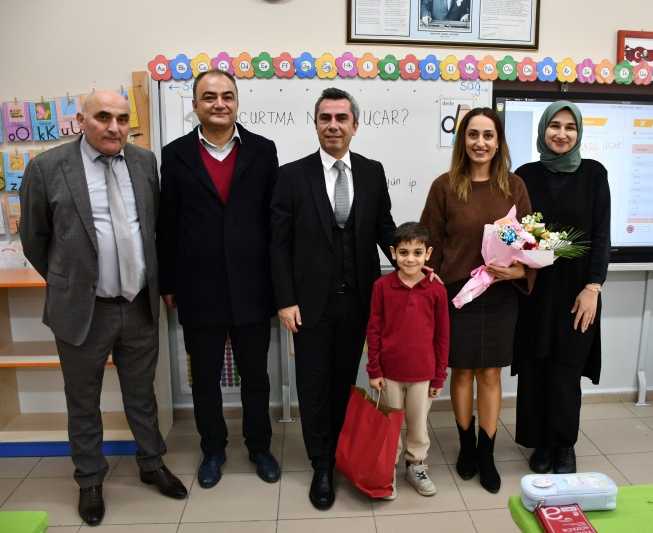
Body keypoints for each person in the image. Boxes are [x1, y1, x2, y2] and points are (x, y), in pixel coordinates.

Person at [20, 90, 187, 526]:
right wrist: (70, 282)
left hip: (137, 304)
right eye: (103, 117)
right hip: (83, 310)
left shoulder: (144, 162)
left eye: (122, 118)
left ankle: (151, 463)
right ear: (82, 120)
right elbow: (35, 238)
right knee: (83, 400)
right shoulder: (47, 167)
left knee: (142, 394)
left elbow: (151, 227)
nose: (114, 127)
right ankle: (90, 480)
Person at [270, 87, 398, 510]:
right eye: (325, 118)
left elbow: (384, 228)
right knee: (313, 386)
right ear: (316, 124)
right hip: (309, 305)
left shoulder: (372, 172)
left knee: (344, 382)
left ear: (355, 126)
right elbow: (279, 244)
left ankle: (342, 453)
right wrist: (285, 300)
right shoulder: (292, 175)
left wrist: (411, 265)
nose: (333, 125)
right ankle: (321, 464)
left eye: (341, 118)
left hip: (358, 301)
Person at [156, 70, 280, 489]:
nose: (219, 103)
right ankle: (213, 449)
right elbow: (167, 224)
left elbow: (274, 221)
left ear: (237, 102)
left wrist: (280, 283)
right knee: (205, 379)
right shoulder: (174, 154)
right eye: (209, 97)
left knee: (256, 377)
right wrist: (169, 283)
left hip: (253, 287)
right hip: (199, 288)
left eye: (227, 95)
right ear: (195, 105)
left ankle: (259, 447)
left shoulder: (263, 150)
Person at [420, 107, 535, 494]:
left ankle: (487, 453)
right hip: (459, 296)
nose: (480, 142)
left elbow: (530, 242)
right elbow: (430, 244)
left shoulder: (514, 187)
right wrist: (430, 288)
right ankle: (466, 445)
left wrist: (521, 272)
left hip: (500, 296)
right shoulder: (444, 187)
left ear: (498, 142)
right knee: (463, 371)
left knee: (490, 373)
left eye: (488, 135)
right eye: (473, 135)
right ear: (462, 140)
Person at [512, 101, 611, 475]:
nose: (562, 133)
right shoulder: (524, 175)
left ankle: (564, 444)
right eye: (555, 125)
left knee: (566, 371)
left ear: (579, 132)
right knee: (536, 367)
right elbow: (518, 233)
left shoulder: (594, 174)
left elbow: (601, 235)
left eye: (570, 127)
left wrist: (593, 286)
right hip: (534, 290)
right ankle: (540, 442)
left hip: (577, 291)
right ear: (543, 130)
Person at [366, 222, 450, 500]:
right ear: (393, 253)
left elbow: (442, 336)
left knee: (418, 425)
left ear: (428, 254)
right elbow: (374, 330)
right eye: (403, 252)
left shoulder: (436, 289)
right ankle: (386, 468)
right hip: (388, 374)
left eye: (417, 253)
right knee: (389, 426)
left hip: (423, 374)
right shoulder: (382, 286)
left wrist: (439, 376)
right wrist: (374, 369)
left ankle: (415, 465)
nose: (410, 259)